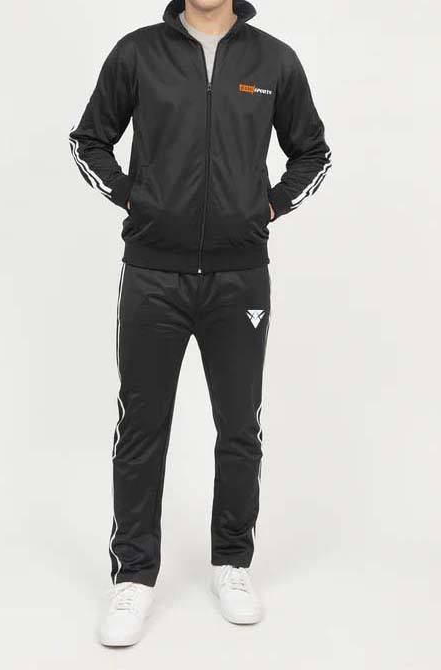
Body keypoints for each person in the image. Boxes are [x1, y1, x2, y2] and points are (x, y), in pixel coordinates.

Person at [69, 0, 331, 647]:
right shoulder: (137, 53)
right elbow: (88, 141)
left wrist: (267, 207)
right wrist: (135, 197)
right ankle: (133, 576)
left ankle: (232, 563)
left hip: (239, 277)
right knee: (141, 426)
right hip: (153, 274)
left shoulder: (274, 60)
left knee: (239, 425)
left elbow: (313, 153)